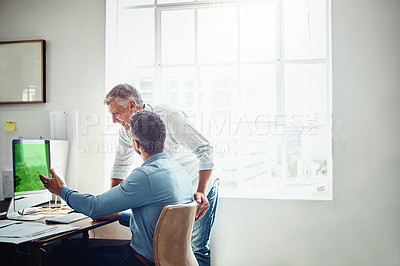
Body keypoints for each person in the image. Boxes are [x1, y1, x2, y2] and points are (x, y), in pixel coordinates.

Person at [39, 110, 193, 266]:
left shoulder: (145, 176)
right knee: (73, 247)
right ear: (163, 139)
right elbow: (161, 223)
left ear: (136, 144)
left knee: (61, 253)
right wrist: (120, 216)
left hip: (141, 261)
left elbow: (94, 207)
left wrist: (62, 190)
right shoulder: (180, 171)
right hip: (166, 260)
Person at [104, 83, 219, 266]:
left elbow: (205, 149)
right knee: (167, 245)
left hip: (197, 184)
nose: (113, 120)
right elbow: (120, 167)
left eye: (116, 113)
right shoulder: (126, 131)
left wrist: (201, 191)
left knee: (196, 248)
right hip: (172, 189)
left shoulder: (169, 116)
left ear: (132, 105)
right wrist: (112, 204)